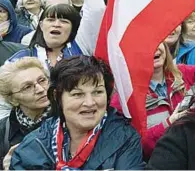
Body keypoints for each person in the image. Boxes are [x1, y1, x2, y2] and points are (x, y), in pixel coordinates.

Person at [10, 56, 144, 170]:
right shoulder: (34, 144)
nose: (90, 102)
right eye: (77, 94)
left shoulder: (125, 138)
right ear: (57, 97)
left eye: (98, 92)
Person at [0, 58, 50, 166]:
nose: (40, 89)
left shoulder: (67, 121)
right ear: (13, 99)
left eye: (42, 80)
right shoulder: (3, 131)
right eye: (27, 87)